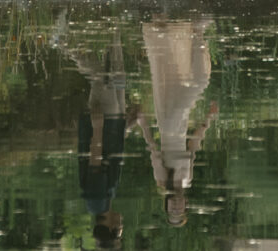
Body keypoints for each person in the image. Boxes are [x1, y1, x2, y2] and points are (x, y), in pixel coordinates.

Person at [139, 16, 219, 228]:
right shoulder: (187, 179)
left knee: (198, 83)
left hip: (167, 124)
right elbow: (193, 147)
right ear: (185, 204)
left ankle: (198, 30)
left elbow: (152, 149)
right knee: (182, 76)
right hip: (181, 126)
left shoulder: (163, 179)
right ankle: (195, 31)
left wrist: (141, 121)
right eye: (179, 209)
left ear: (167, 205)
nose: (177, 206)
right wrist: (208, 120)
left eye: (173, 209)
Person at [71, 34, 131, 247]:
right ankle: (112, 29)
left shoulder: (96, 202)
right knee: (117, 76)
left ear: (110, 228)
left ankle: (64, 43)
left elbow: (95, 165)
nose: (122, 226)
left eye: (119, 231)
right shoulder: (105, 201)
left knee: (101, 77)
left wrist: (97, 128)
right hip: (114, 125)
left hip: (104, 126)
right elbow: (111, 161)